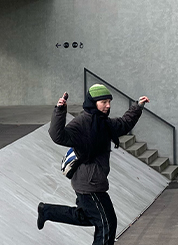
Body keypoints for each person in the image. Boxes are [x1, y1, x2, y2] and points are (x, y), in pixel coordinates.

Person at [37, 85, 149, 245]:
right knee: (107, 223)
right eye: (104, 102)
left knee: (87, 217)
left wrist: (138, 107)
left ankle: (47, 211)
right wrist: (60, 111)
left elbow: (124, 124)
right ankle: (47, 211)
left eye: (109, 102)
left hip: (93, 180)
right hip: (89, 184)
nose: (108, 105)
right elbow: (58, 135)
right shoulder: (82, 122)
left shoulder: (104, 122)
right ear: (93, 103)